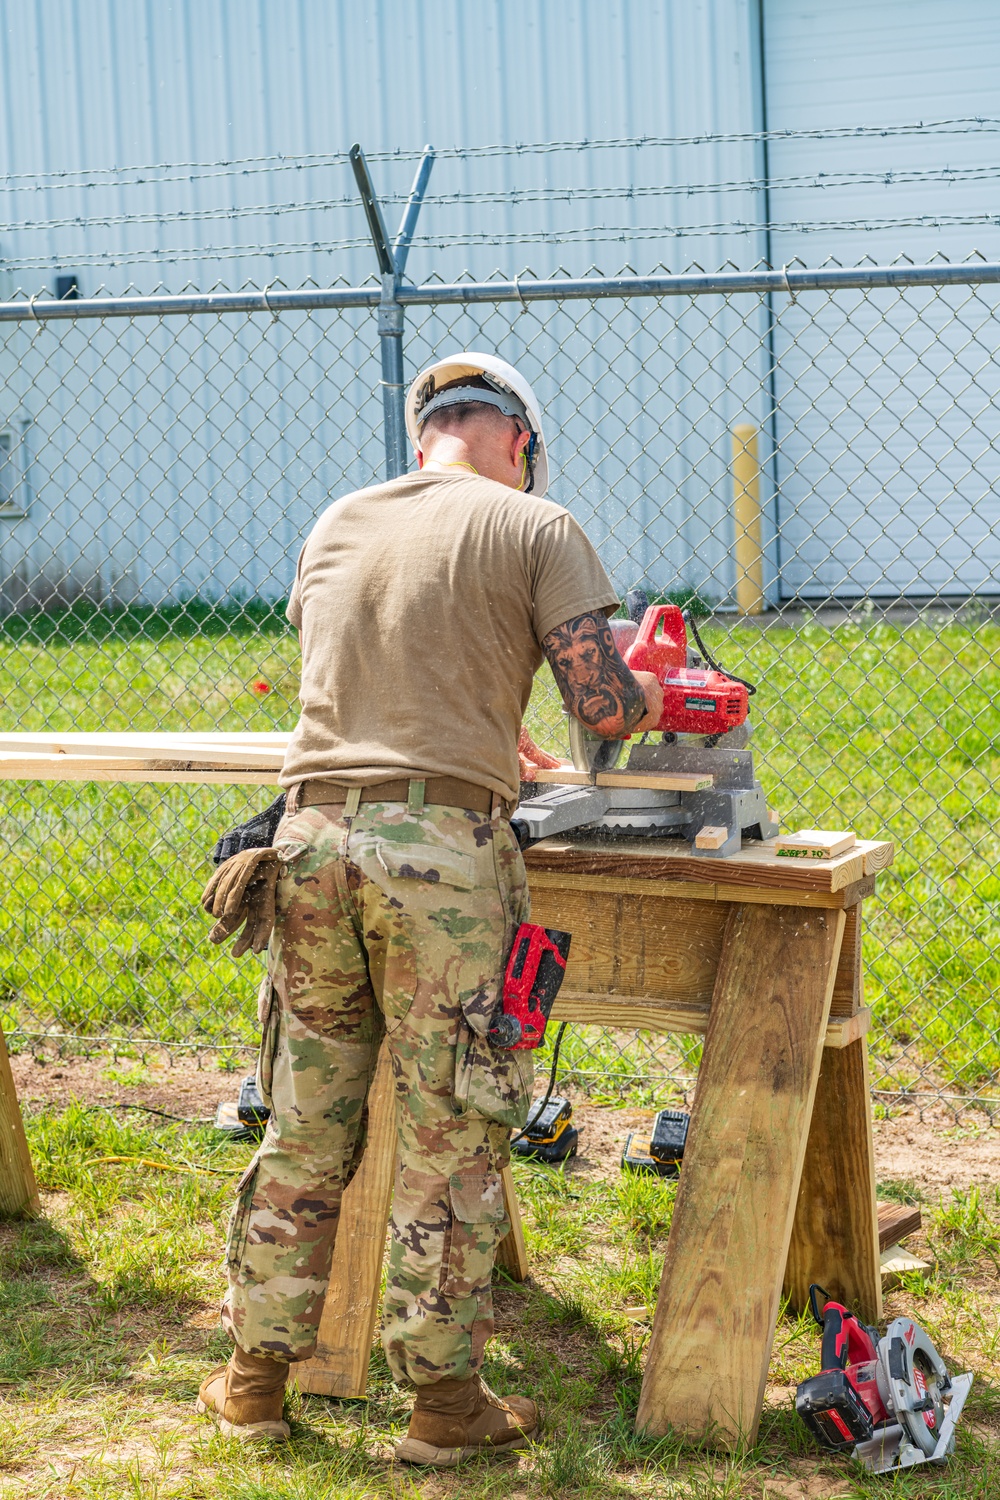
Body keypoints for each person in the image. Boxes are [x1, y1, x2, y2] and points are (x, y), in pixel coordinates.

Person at [196, 352, 663, 1464]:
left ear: (424, 439)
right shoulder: (536, 524)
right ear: (519, 442)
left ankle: (253, 1380)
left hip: (307, 843)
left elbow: (378, 677)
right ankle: (444, 1412)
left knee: (308, 1119)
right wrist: (648, 679)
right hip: (439, 867)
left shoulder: (339, 521)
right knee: (449, 1131)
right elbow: (601, 703)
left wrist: (481, 732)